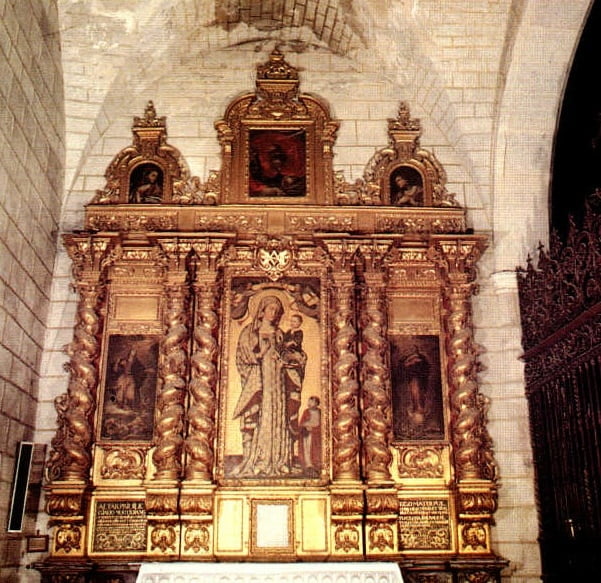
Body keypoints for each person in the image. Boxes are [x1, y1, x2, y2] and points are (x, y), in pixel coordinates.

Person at [231, 295, 294, 477]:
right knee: (262, 414)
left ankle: (279, 459)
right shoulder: (250, 333)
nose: (273, 314)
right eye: (270, 309)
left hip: (277, 379)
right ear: (262, 310)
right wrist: (262, 353)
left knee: (279, 413)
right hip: (261, 380)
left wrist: (287, 360)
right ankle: (260, 459)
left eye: (277, 310)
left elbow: (285, 354)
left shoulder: (280, 333)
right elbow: (245, 356)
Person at [299, 396, 321, 476]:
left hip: (316, 435)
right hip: (307, 434)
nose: (309, 404)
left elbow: (321, 424)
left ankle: (316, 465)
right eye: (309, 402)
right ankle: (308, 465)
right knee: (307, 449)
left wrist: (314, 429)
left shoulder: (320, 412)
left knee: (315, 450)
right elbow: (301, 423)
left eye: (311, 402)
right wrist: (305, 426)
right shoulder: (306, 412)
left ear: (316, 403)